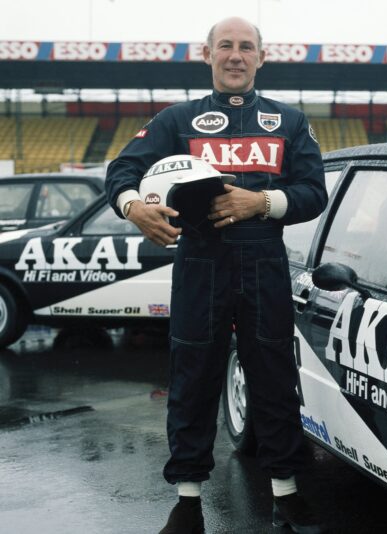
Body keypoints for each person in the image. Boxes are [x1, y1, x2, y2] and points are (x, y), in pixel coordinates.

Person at [105, 16, 327, 534]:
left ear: (260, 57)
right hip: (200, 263)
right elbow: (120, 171)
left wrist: (262, 201)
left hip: (264, 263)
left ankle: (286, 495)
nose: (234, 55)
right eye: (224, 46)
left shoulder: (289, 121)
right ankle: (187, 501)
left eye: (245, 47)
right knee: (193, 378)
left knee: (273, 378)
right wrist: (134, 206)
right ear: (206, 55)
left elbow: (314, 191)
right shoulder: (175, 120)